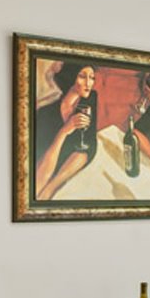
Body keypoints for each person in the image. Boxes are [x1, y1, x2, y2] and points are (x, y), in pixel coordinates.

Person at [34, 61, 97, 201]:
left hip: (72, 159)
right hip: (52, 158)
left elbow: (88, 147)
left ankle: (50, 190)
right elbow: (41, 166)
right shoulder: (46, 113)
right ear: (71, 76)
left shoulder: (89, 101)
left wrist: (50, 188)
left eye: (92, 77)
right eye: (82, 76)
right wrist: (64, 131)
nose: (89, 83)